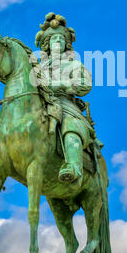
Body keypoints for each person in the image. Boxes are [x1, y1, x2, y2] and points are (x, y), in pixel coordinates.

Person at [34, 12, 95, 186]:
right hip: (41, 105)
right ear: (47, 44)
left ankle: (74, 166)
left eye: (61, 40)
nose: (57, 43)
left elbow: (86, 85)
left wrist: (63, 85)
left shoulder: (75, 65)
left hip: (66, 104)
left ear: (66, 44)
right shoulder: (37, 67)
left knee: (69, 126)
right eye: (53, 40)